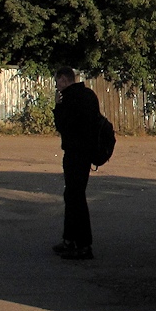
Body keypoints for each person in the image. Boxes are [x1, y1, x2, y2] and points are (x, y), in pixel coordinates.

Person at [52, 67, 100, 260]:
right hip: (86, 153)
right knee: (72, 195)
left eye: (57, 82)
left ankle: (83, 245)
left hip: (74, 153)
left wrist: (58, 106)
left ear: (64, 80)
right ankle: (70, 239)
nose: (57, 86)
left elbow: (62, 126)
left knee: (75, 197)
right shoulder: (89, 95)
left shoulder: (69, 98)